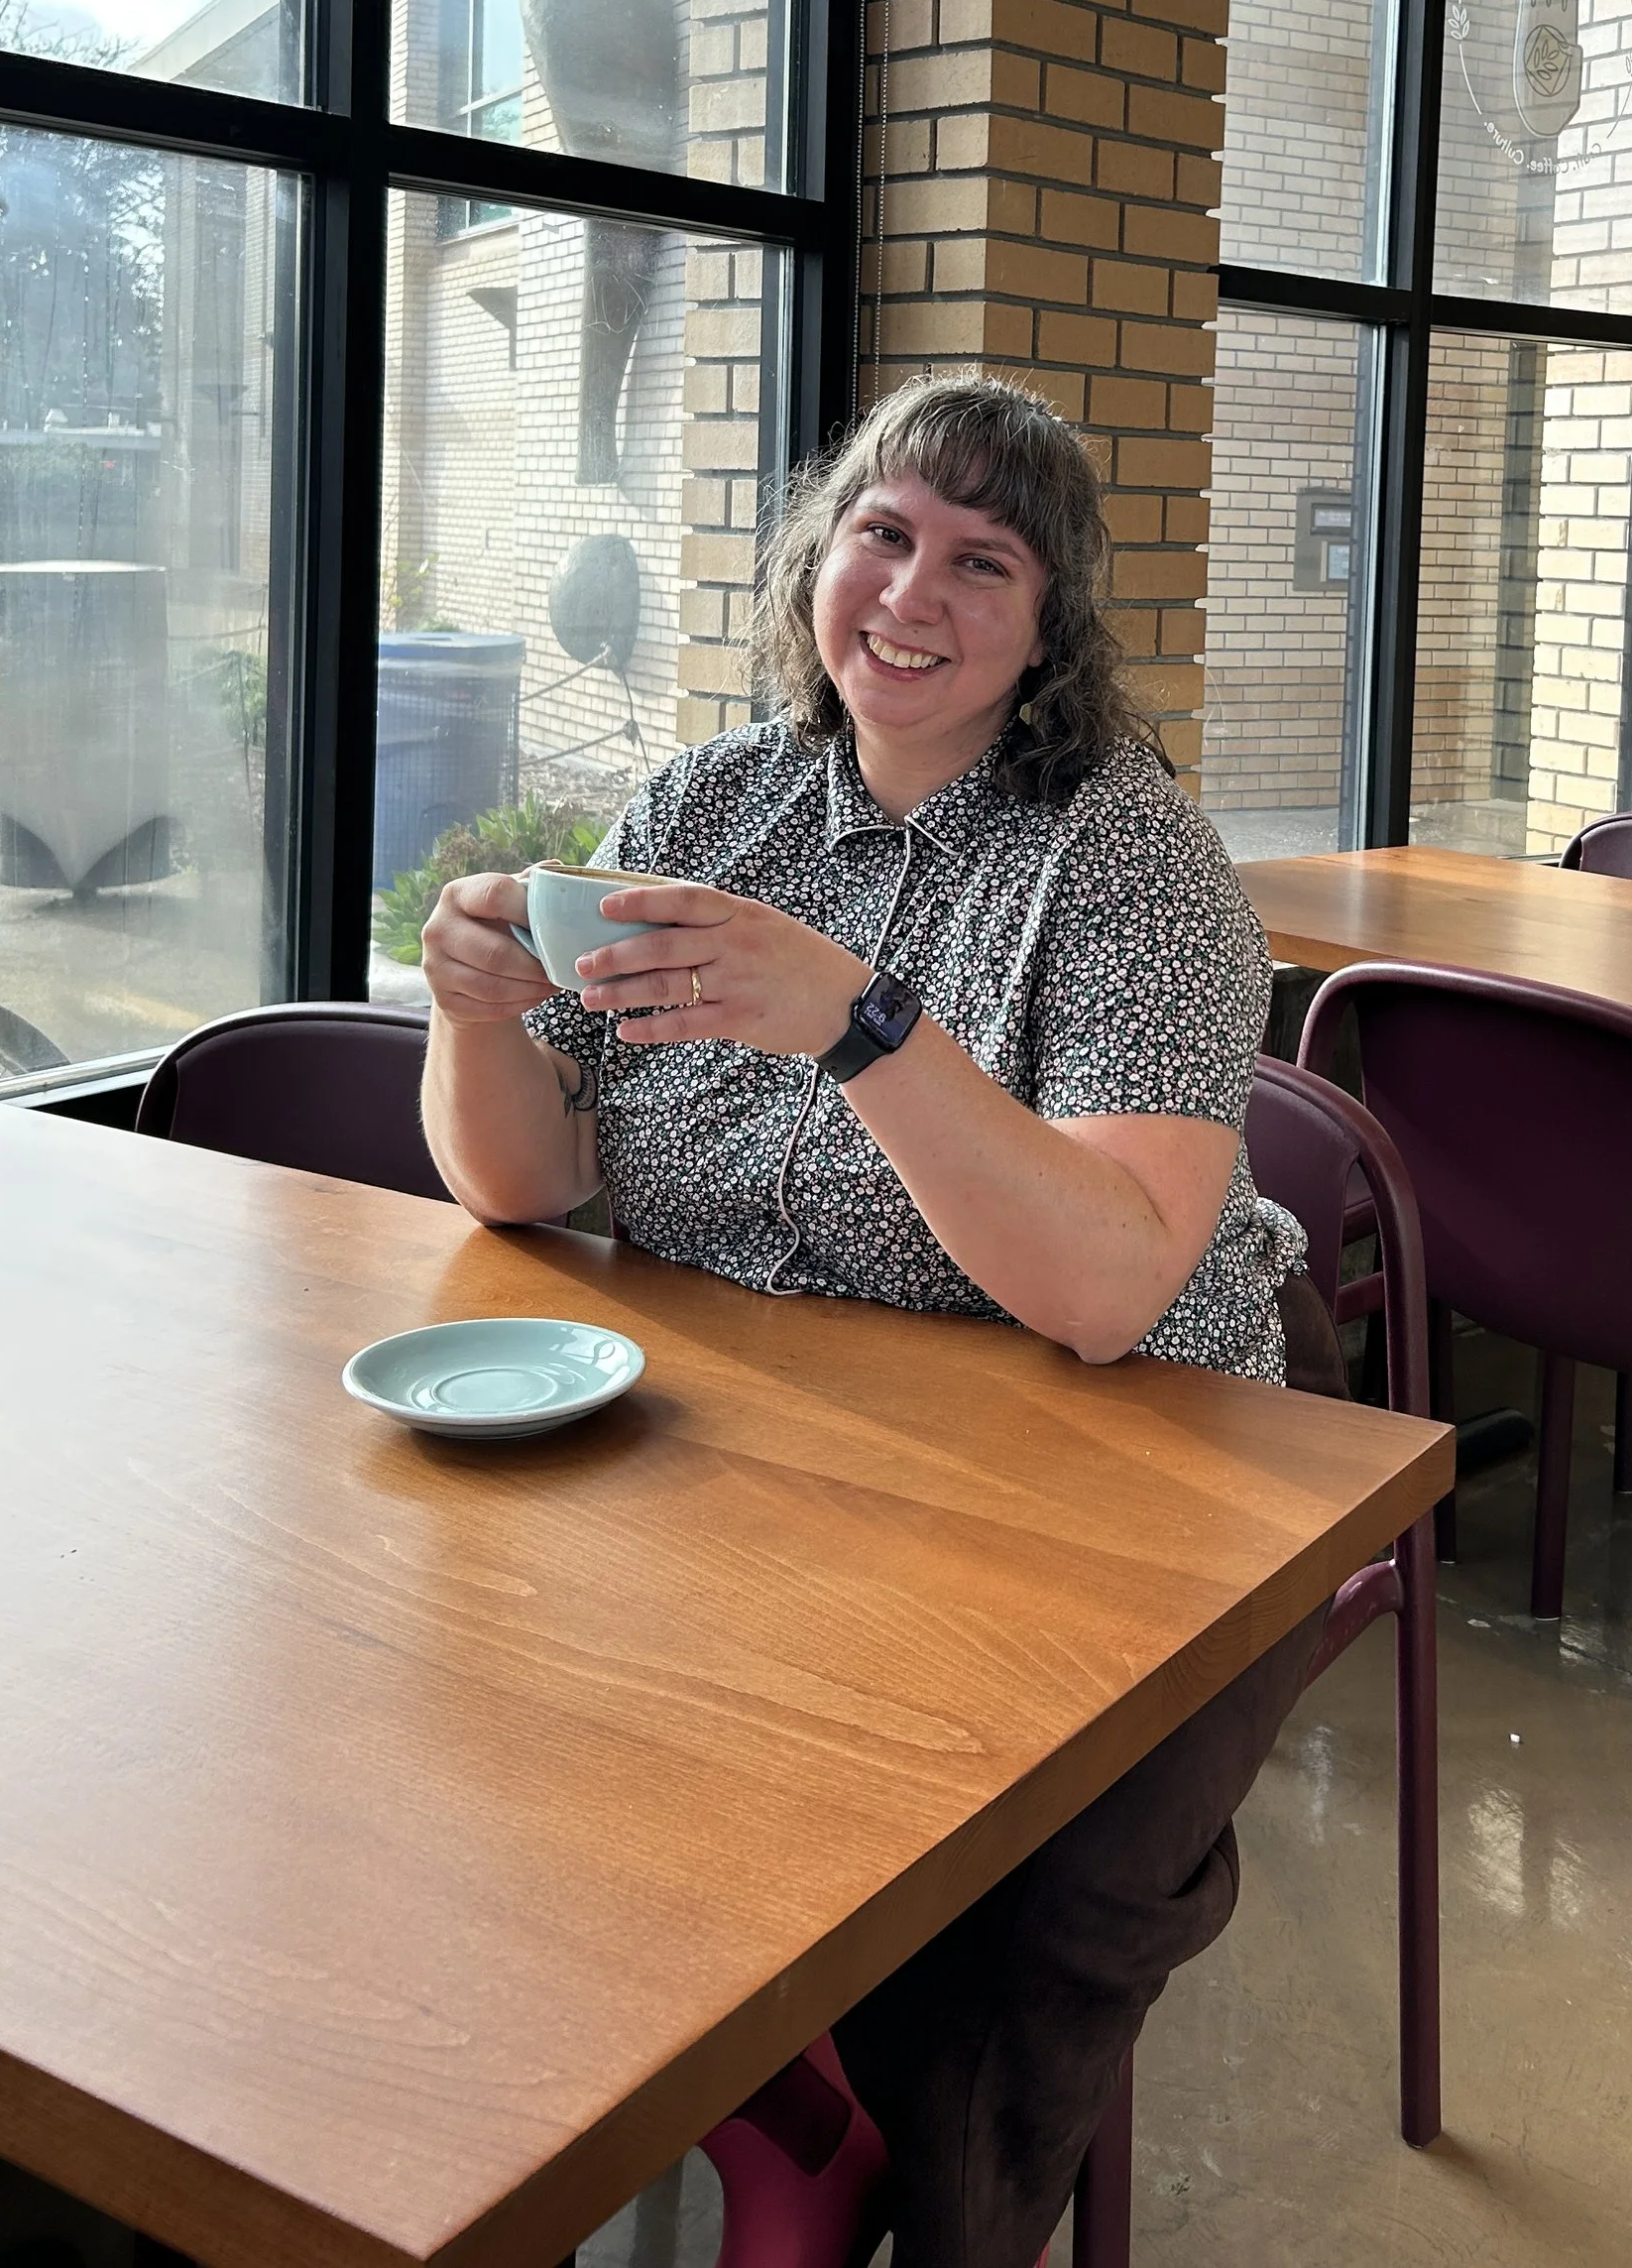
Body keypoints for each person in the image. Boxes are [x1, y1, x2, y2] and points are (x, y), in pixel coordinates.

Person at [417, 371, 1347, 2268]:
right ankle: (757, 2099)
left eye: (981, 563)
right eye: (883, 535)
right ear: (818, 562)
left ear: (1049, 623)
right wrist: (475, 1011)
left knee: (1019, 1908)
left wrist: (860, 1022)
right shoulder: (712, 799)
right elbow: (517, 1189)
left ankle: (939, 2203)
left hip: (1158, 1459)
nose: (912, 595)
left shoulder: (1127, 856)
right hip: (775, 1425)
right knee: (499, 1730)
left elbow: (1105, 1290)